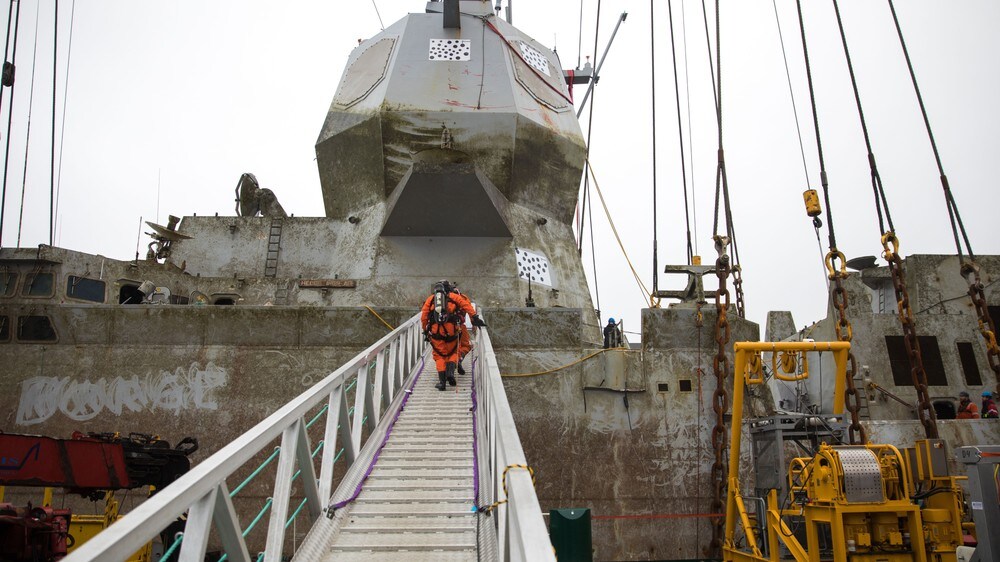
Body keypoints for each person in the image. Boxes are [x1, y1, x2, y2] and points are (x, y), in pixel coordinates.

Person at [421, 280, 486, 391]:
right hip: (452, 331)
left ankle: (442, 383)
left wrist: (425, 330)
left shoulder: (431, 299)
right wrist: (474, 318)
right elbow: (467, 306)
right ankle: (451, 371)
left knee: (439, 355)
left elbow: (424, 316)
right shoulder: (455, 297)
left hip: (436, 332)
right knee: (454, 351)